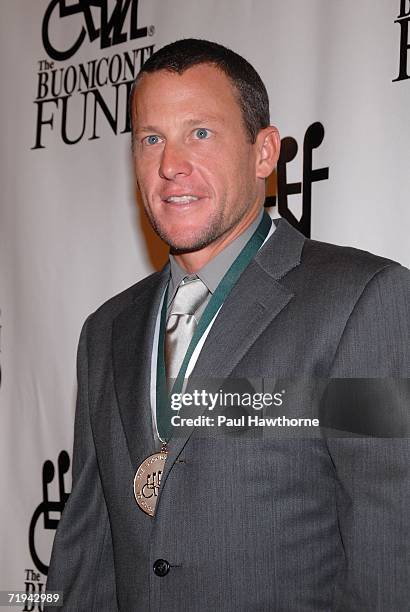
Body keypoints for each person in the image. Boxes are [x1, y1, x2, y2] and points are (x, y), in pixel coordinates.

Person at [46, 39, 410, 611]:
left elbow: (391, 551)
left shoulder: (361, 301)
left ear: (264, 152)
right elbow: (87, 550)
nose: (170, 165)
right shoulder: (106, 330)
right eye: (151, 139)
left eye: (200, 133)